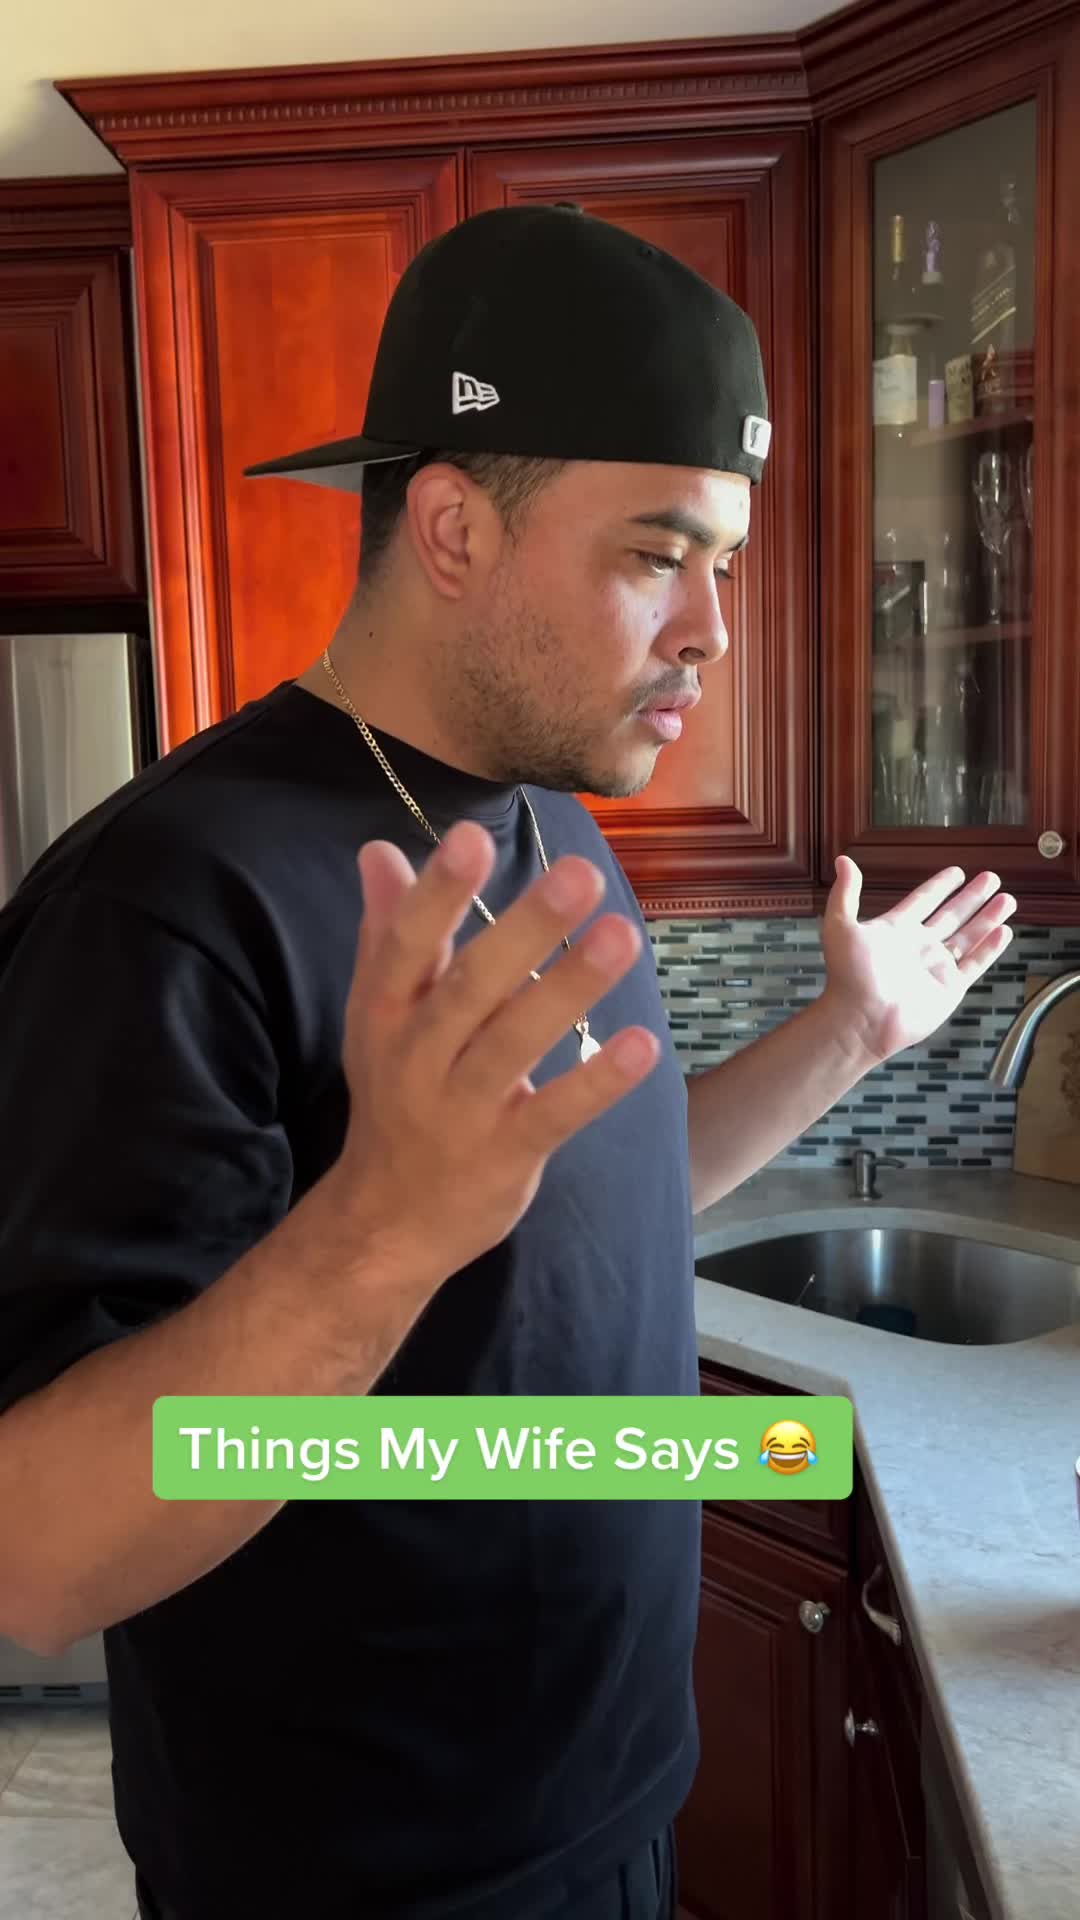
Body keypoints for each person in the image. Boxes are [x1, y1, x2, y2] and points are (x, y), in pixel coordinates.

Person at [0, 204, 1015, 1920]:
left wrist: (848, 1033)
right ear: (456, 528)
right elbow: (39, 1552)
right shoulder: (169, 899)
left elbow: (591, 1196)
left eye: (723, 563)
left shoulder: (545, 818)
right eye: (658, 553)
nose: (711, 628)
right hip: (362, 1882)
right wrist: (380, 1231)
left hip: (608, 1806)